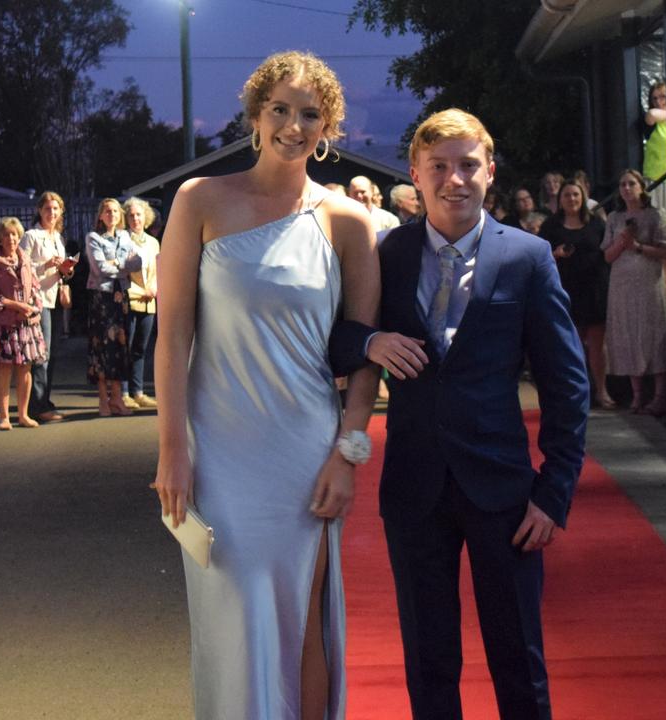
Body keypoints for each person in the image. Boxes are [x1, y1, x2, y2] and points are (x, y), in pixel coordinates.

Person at [153, 51, 381, 720]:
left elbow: (362, 355)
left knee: (300, 620)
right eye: (279, 109)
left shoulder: (346, 220)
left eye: (309, 114)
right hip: (217, 453)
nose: (293, 124)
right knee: (236, 615)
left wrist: (349, 453)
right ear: (255, 116)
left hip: (304, 452)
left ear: (328, 127)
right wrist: (173, 447)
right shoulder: (200, 200)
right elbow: (172, 338)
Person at [354, 108, 588, 719]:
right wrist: (369, 343)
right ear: (415, 174)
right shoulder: (387, 254)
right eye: (439, 167)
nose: (454, 180)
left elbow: (567, 385)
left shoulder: (528, 257)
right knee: (429, 661)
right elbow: (335, 337)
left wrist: (554, 493)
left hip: (506, 494)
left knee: (518, 656)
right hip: (414, 488)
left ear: (490, 171)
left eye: (467, 166)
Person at [602, 169, 666, 415]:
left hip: (647, 280)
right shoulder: (614, 217)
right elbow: (607, 255)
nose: (626, 188)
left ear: (641, 187)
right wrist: (622, 243)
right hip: (622, 282)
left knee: (652, 333)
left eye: (631, 183)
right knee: (628, 333)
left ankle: (660, 395)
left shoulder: (655, 215)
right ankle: (636, 395)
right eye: (622, 184)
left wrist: (638, 247)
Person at [541, 180, 614, 410]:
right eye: (567, 195)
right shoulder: (551, 226)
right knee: (569, 347)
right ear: (560, 200)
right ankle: (574, 394)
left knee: (597, 345)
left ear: (582, 197)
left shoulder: (596, 224)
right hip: (565, 290)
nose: (571, 199)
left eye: (575, 195)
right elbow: (539, 258)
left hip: (594, 289)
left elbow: (607, 253)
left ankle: (602, 391)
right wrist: (556, 253)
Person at [0, 217, 47, 430]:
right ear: (0, 237)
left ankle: (23, 415)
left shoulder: (26, 259)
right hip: (3, 324)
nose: (11, 238)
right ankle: (4, 416)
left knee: (25, 368)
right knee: (4, 369)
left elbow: (36, 288)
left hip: (26, 323)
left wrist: (33, 308)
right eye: (7, 234)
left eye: (15, 234)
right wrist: (17, 306)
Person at [85, 198, 139, 416]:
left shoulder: (125, 236)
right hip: (102, 299)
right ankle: (103, 400)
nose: (112, 215)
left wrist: (117, 264)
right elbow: (99, 269)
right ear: (100, 215)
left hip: (121, 298)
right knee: (101, 349)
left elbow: (138, 263)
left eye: (116, 211)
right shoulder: (93, 238)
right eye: (107, 211)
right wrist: (122, 265)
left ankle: (117, 398)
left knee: (119, 348)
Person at [20, 191, 71, 422]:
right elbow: (21, 268)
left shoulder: (58, 237)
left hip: (54, 297)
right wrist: (45, 265)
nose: (52, 213)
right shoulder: (31, 236)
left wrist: (66, 270)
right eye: (47, 208)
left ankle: (44, 400)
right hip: (38, 298)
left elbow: (61, 271)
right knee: (42, 354)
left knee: (52, 353)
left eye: (56, 209)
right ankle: (37, 405)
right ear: (39, 210)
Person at [122, 196, 160, 409]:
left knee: (140, 348)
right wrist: (139, 290)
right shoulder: (122, 239)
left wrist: (154, 288)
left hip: (150, 301)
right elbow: (121, 272)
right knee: (125, 347)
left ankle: (139, 392)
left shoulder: (153, 242)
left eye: (139, 214)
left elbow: (158, 269)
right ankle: (125, 392)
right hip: (130, 299)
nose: (136, 218)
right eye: (132, 215)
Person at [642, 80, 666, 227]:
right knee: (658, 223)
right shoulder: (654, 120)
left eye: (663, 96)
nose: (658, 101)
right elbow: (651, 114)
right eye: (654, 98)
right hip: (655, 178)